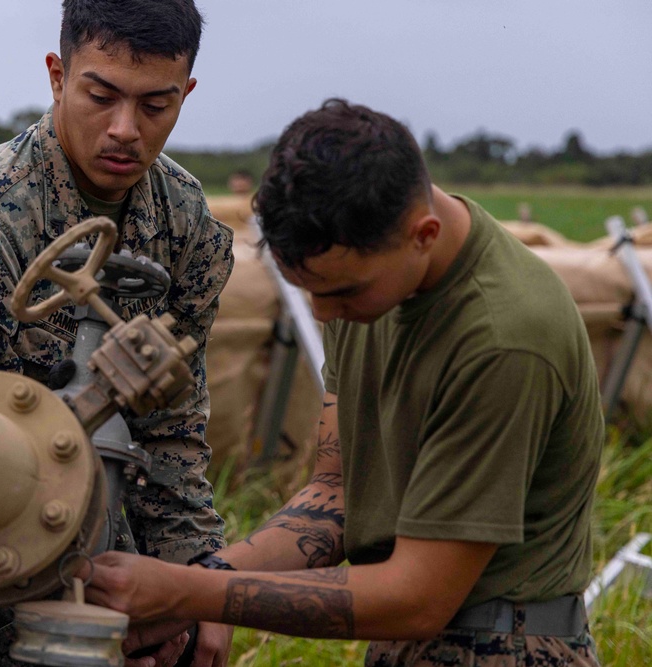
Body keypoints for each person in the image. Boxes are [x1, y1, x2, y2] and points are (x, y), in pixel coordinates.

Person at [83, 99, 604, 667]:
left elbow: (419, 599)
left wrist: (192, 593)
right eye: (307, 290)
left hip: (506, 648)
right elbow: (337, 494)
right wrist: (207, 583)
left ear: (422, 235)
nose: (323, 315)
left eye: (341, 293)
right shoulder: (372, 288)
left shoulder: (505, 338)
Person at [0, 1, 235, 665]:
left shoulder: (186, 221)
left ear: (186, 93)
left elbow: (173, 426)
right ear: (57, 76)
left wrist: (197, 586)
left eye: (156, 105)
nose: (125, 130)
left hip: (108, 579)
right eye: (100, 96)